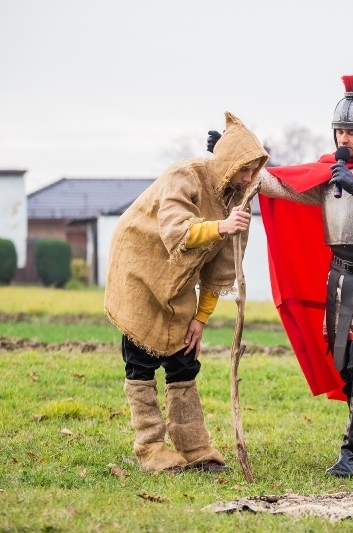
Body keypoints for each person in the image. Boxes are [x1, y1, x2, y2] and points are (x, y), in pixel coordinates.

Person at [210, 75, 353, 476]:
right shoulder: (328, 172)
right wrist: (231, 158)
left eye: (352, 131)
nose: (344, 137)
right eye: (340, 130)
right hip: (340, 276)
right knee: (344, 364)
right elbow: (278, 185)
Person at [105, 111, 269, 474]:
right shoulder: (185, 174)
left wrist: (201, 318)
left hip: (177, 278)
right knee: (141, 359)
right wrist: (221, 226)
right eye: (245, 169)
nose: (249, 178)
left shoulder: (236, 200)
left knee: (183, 358)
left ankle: (194, 447)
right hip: (140, 267)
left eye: (253, 171)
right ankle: (150, 448)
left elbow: (220, 267)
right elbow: (175, 229)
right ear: (229, 162)